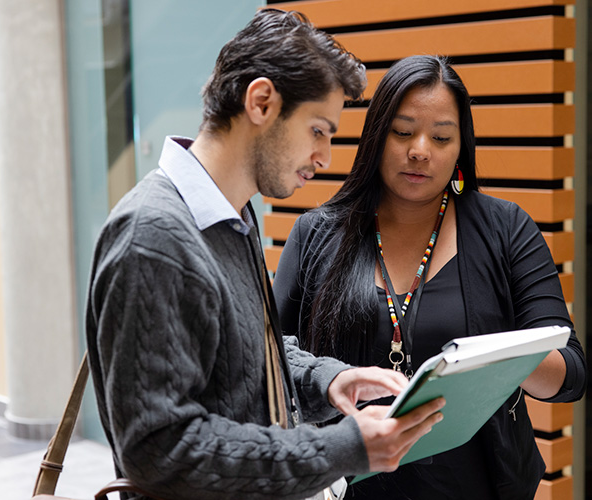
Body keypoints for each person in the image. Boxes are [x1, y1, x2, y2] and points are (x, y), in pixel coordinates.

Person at [85, 10, 447, 500]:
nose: (325, 158)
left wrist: (328, 379)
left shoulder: (232, 215)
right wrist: (344, 447)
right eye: (319, 130)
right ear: (261, 102)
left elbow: (246, 363)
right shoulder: (154, 237)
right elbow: (158, 450)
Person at [273, 55, 587, 500]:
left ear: (461, 147)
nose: (420, 149)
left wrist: (504, 354)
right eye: (403, 132)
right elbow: (270, 361)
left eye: (441, 137)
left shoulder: (506, 228)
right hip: (346, 488)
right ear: (376, 137)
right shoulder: (316, 234)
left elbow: (570, 373)